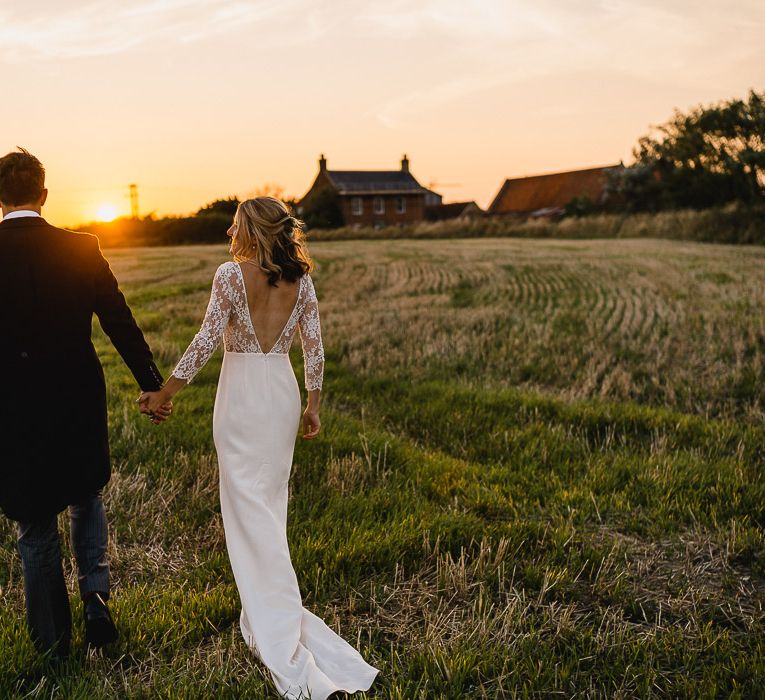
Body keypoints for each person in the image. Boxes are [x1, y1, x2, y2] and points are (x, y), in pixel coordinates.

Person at [139, 197, 378, 699]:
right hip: (282, 395)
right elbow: (314, 346)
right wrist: (313, 405)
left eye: (237, 221)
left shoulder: (230, 274)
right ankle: (263, 607)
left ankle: (273, 618)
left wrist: (165, 393)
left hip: (243, 399)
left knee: (249, 509)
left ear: (251, 228)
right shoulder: (302, 281)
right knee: (268, 505)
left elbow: (207, 339)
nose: (229, 227)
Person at [0, 148, 172, 658]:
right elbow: (119, 321)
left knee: (34, 524)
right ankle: (96, 602)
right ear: (44, 194)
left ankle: (54, 645)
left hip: (13, 407)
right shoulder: (81, 247)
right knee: (85, 493)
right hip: (76, 395)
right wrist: (152, 384)